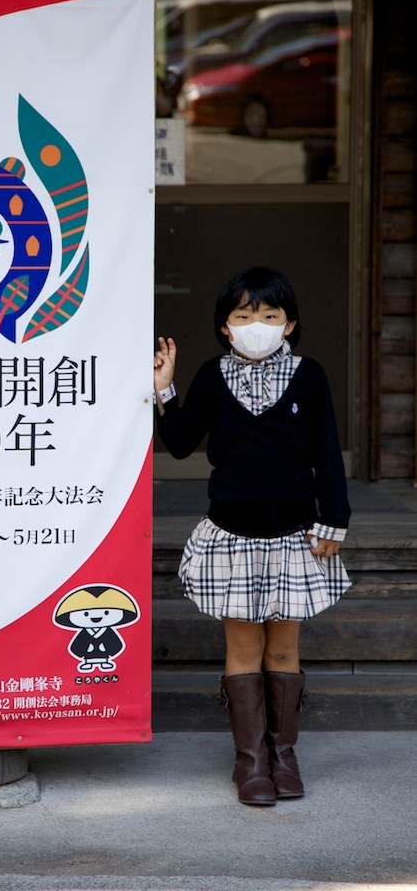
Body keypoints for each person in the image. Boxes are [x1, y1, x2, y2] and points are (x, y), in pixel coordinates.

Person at [154, 265, 351, 807]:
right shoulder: (213, 376)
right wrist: (165, 387)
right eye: (243, 316)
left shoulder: (309, 376)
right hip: (231, 534)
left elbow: (328, 453)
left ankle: (283, 756)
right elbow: (180, 443)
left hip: (295, 534)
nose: (256, 325)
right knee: (243, 649)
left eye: (269, 314)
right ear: (225, 326)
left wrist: (334, 519)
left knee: (283, 649)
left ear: (290, 323)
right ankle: (251, 763)